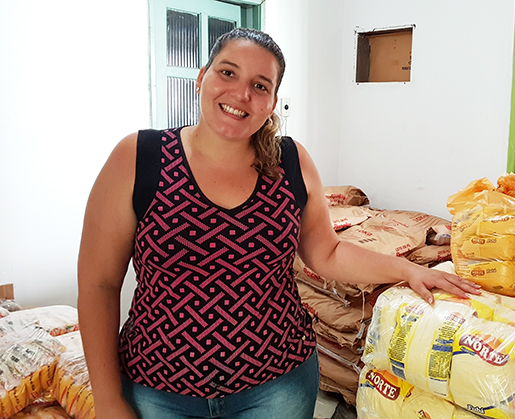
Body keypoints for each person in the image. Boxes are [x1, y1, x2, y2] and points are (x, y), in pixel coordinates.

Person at [77, 28, 481, 419]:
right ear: (202, 77)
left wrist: (409, 270)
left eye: (260, 85)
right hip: (158, 388)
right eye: (228, 72)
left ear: (272, 102)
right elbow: (99, 284)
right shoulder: (139, 157)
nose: (240, 94)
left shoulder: (290, 161)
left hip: (278, 385)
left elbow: (328, 251)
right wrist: (108, 399)